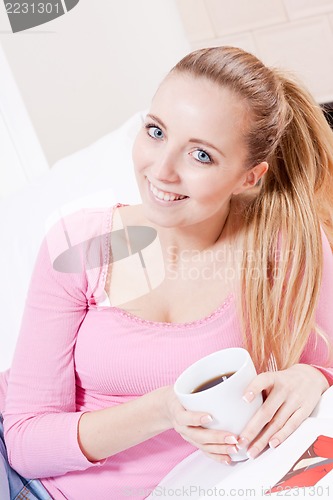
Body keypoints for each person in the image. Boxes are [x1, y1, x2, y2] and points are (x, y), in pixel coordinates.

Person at [1, 45, 333, 500]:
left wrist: (314, 377)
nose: (161, 170)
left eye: (201, 156)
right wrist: (163, 410)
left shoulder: (285, 246)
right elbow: (25, 444)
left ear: (249, 177)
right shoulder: (78, 245)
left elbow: (326, 362)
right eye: (156, 132)